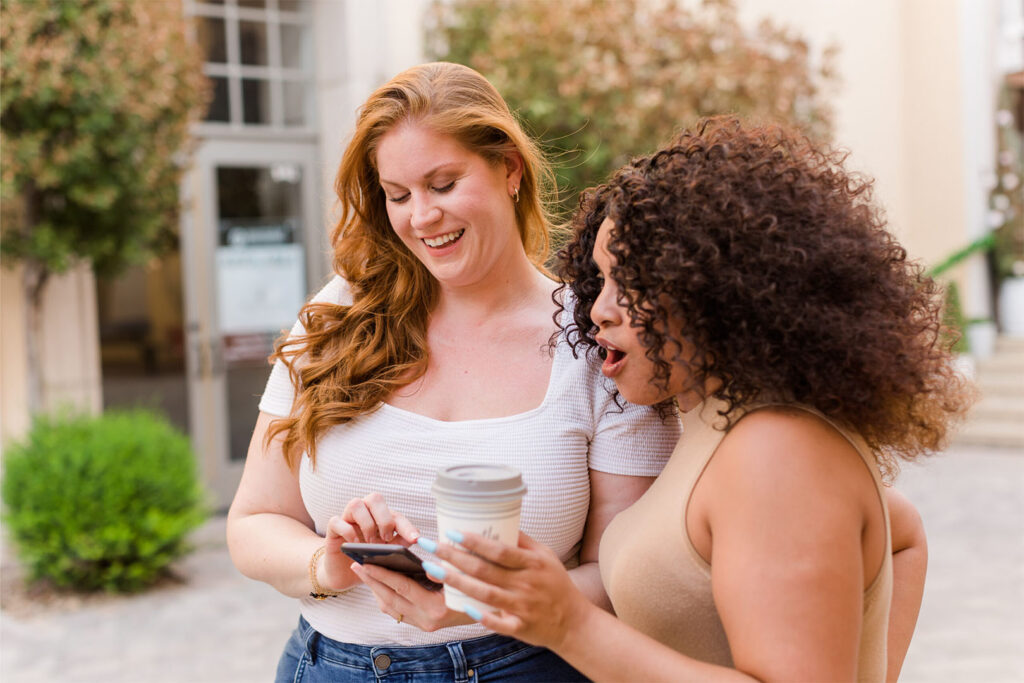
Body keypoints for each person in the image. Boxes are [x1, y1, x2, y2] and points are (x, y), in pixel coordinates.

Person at [415, 117, 971, 681]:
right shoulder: (721, 424)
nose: (598, 310)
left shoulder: (778, 449)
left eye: (629, 283)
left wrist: (567, 624)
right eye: (600, 281)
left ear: (714, 288)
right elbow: (903, 536)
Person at [225, 62, 680, 682]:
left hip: (523, 667)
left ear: (509, 169)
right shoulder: (339, 315)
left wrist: (480, 603)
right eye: (398, 195)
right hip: (329, 665)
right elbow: (253, 521)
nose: (421, 217)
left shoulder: (595, 338)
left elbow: (621, 576)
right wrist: (326, 564)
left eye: (442, 184)